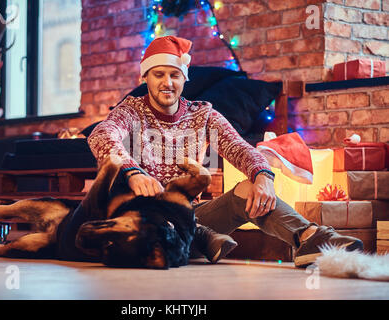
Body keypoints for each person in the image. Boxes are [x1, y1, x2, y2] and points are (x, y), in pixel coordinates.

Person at [88, 35, 363, 267]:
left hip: (187, 217)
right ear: (146, 76)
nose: (167, 83)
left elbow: (240, 148)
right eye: (158, 74)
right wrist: (132, 171)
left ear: (184, 79)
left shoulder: (202, 114)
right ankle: (203, 238)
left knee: (247, 191)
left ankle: (310, 237)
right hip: (143, 223)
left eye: (174, 75)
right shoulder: (131, 111)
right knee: (162, 227)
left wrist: (263, 176)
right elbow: (101, 135)